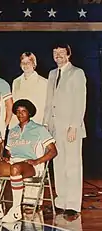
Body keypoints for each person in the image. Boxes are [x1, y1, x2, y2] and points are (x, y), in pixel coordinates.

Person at [0, 99, 57, 222]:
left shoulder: (39, 129)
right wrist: (6, 156)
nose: (20, 114)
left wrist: (37, 161)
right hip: (14, 163)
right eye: (17, 111)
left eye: (23, 111)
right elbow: (9, 151)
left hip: (32, 165)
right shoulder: (13, 131)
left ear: (30, 113)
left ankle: (16, 209)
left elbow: (53, 151)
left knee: (16, 168)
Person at [43, 43, 86, 216]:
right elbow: (49, 102)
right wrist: (46, 125)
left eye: (61, 53)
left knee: (72, 165)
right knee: (58, 164)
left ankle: (73, 205)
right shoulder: (53, 74)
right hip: (54, 128)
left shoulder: (77, 73)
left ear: (68, 54)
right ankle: (61, 201)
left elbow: (80, 101)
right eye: (55, 53)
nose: (58, 56)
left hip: (70, 128)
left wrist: (74, 126)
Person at [9, 52, 47, 129]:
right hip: (18, 123)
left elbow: (46, 106)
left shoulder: (44, 82)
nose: (25, 65)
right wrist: (12, 124)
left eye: (28, 62)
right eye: (23, 62)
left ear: (34, 64)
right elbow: (14, 103)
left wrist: (45, 124)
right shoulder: (16, 82)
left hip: (37, 122)